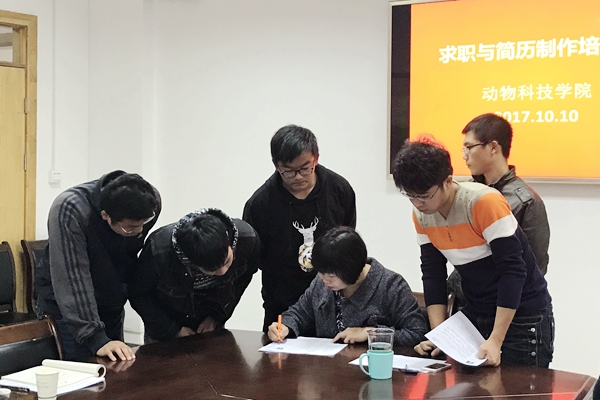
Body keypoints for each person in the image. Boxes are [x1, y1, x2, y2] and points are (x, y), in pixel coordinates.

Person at [392, 137, 554, 367]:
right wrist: (441, 335)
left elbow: (513, 271)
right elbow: (432, 273)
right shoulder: (421, 214)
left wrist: (496, 339)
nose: (418, 203)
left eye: (425, 195)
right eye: (410, 195)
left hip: (522, 314)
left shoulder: (483, 203)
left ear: (447, 181)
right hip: (477, 312)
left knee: (517, 384)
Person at [35, 171, 161, 361]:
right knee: (81, 375)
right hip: (69, 311)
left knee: (116, 370)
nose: (140, 231)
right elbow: (71, 276)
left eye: (144, 223)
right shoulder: (70, 209)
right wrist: (95, 337)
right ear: (105, 216)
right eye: (130, 228)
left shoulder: (151, 201)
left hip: (110, 304)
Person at [243, 124, 357, 332]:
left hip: (332, 304)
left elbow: (348, 246)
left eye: (305, 168)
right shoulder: (260, 204)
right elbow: (250, 262)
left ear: (316, 158)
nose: (298, 177)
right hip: (281, 307)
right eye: (288, 171)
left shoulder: (339, 190)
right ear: (276, 165)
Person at [448, 114, 551, 308]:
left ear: (493, 147)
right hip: (464, 303)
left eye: (469, 147)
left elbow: (535, 269)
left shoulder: (526, 202)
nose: (464, 156)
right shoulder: (464, 193)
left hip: (503, 310)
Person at [267, 226, 427, 347]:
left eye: (331, 276)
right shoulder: (321, 282)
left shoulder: (391, 286)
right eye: (321, 273)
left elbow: (417, 333)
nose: (325, 280)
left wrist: (370, 333)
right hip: (328, 370)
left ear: (353, 268)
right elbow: (299, 313)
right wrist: (285, 326)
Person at [129, 208, 260, 342]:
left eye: (227, 261)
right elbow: (139, 295)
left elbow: (243, 279)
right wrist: (173, 329)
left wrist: (217, 317)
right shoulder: (159, 251)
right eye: (212, 270)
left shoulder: (247, 239)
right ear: (190, 261)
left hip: (211, 324)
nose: (223, 272)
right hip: (165, 325)